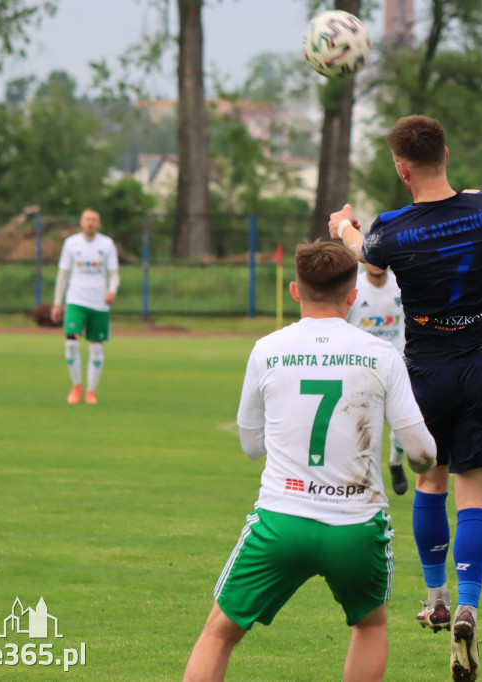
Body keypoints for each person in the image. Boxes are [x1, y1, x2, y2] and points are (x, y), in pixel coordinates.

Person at [182, 240, 436, 682]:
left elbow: (250, 446)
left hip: (282, 520)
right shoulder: (383, 354)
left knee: (219, 634)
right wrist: (414, 467)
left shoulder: (266, 349)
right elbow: (422, 453)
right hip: (356, 524)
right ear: (353, 295)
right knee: (370, 625)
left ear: (295, 292)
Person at [328, 114, 482, 682]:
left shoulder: (391, 228)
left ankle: (436, 598)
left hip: (427, 374)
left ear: (401, 167)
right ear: (447, 154)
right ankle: (469, 603)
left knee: (431, 484)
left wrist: (344, 225)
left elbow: (366, 254)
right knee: (475, 492)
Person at [347, 262, 410, 495]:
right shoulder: (354, 287)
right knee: (362, 429)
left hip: (398, 365)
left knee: (404, 430)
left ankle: (395, 462)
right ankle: (362, 483)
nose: (376, 263)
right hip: (361, 368)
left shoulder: (401, 285)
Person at [50, 208, 120, 405]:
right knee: (71, 343)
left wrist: (112, 290)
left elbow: (114, 273)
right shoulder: (71, 244)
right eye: (87, 219)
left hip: (99, 304)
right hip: (76, 301)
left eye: (94, 220)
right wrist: (57, 303)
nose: (90, 223)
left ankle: (91, 391)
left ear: (99, 223)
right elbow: (63, 274)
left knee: (96, 348)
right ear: (81, 222)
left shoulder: (106, 244)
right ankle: (76, 386)